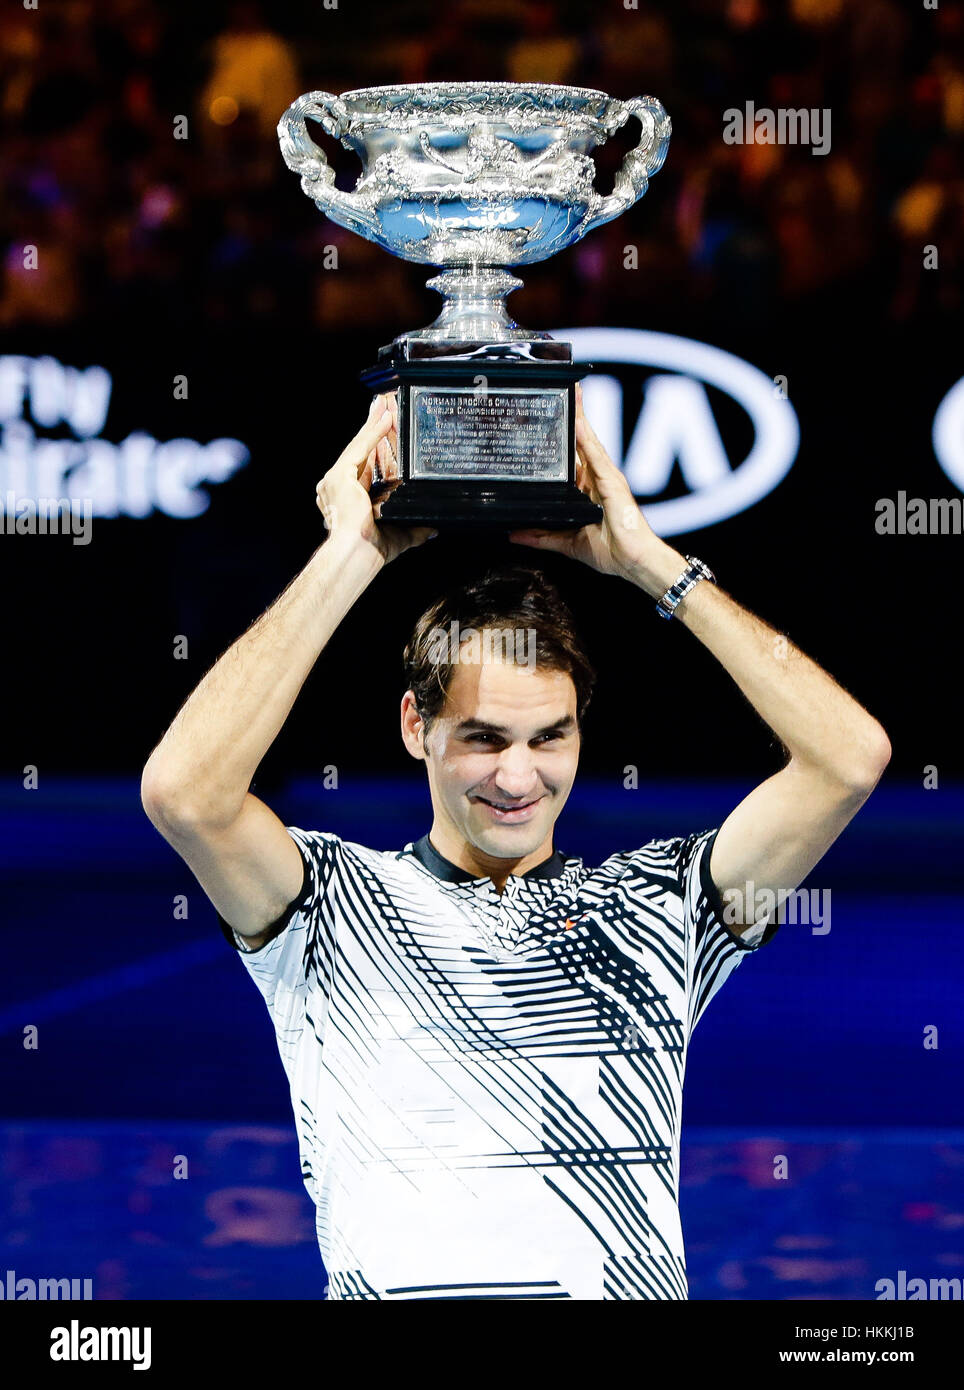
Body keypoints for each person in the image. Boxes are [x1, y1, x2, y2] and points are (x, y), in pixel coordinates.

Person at [141, 389, 890, 1300]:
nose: (519, 777)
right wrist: (350, 555)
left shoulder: (666, 907)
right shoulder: (324, 911)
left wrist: (654, 566)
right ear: (416, 725)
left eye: (550, 738)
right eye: (485, 738)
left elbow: (849, 762)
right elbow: (185, 794)